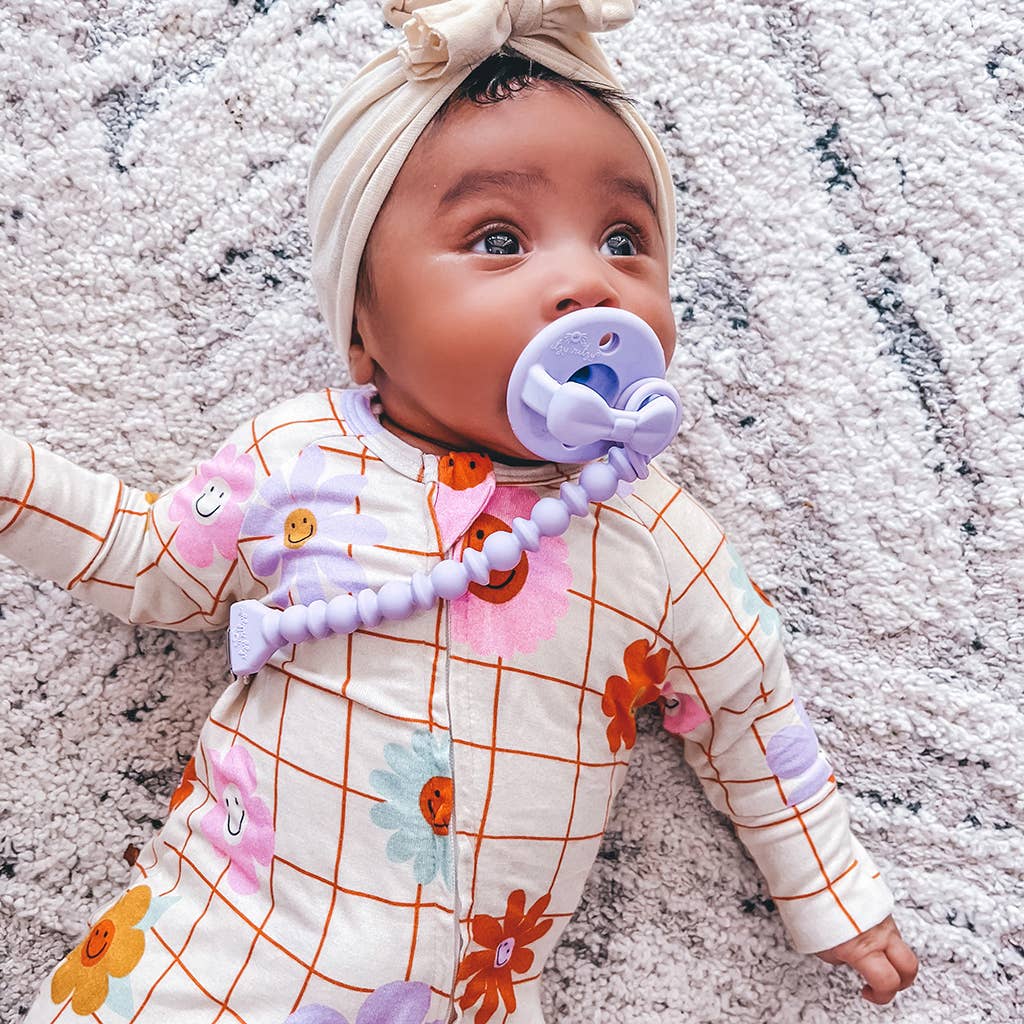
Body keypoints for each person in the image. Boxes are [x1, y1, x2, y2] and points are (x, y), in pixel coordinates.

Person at [4, 2, 917, 1022]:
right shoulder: (301, 453)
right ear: (364, 329)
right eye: (496, 238)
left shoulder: (658, 539)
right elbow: (146, 559)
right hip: (205, 964)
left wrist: (833, 893)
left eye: (625, 239)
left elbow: (753, 714)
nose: (585, 282)